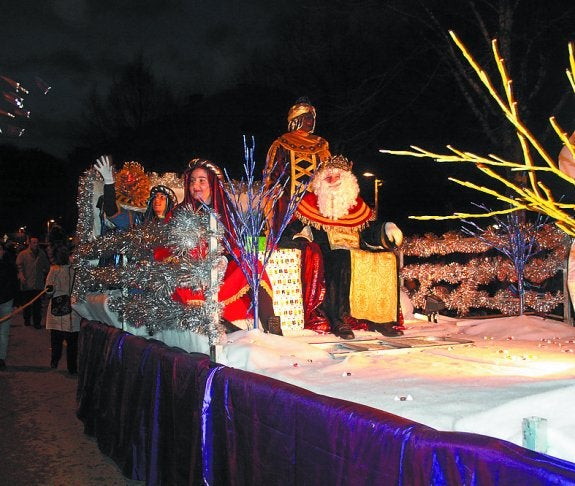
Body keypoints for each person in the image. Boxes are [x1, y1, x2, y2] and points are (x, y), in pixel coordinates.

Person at [280, 155, 404, 339]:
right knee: (342, 259)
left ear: (347, 181)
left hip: (357, 251)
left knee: (387, 258)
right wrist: (299, 242)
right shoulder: (309, 205)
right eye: (328, 177)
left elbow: (369, 231)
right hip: (328, 253)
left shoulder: (358, 206)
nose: (332, 181)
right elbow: (288, 233)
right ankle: (338, 319)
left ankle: (380, 318)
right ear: (320, 182)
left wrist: (386, 229)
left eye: (337, 176)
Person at [163, 158, 277, 332]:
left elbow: (236, 245)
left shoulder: (225, 211)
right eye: (192, 181)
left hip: (221, 273)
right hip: (190, 275)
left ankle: (274, 328)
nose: (196, 186)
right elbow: (166, 250)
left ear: (212, 184)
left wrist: (225, 259)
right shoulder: (178, 213)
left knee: (253, 264)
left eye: (202, 181)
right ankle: (232, 331)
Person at [264, 97, 332, 332]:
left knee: (327, 253)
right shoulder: (281, 144)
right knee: (296, 253)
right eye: (305, 117)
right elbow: (271, 178)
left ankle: (325, 310)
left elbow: (329, 176)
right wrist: (271, 209)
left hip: (318, 210)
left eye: (312, 117)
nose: (310, 121)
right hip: (289, 210)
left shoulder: (321, 145)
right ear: (295, 120)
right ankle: (297, 310)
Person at [45, 245, 80, 374]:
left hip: (60, 308)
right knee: (70, 341)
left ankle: (57, 361)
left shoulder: (57, 270)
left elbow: (48, 290)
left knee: (59, 339)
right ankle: (70, 366)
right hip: (68, 308)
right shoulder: (72, 270)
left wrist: (50, 290)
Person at [16, 236, 50, 329]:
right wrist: (21, 275)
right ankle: (27, 320)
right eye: (34, 242)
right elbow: (19, 266)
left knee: (37, 305)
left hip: (38, 284)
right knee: (27, 304)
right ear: (30, 243)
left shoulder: (41, 254)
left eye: (37, 242)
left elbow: (46, 266)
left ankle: (37, 322)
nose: (36, 244)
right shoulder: (23, 254)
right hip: (27, 284)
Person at [0, 242, 18, 369]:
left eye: (0, 249)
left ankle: (1, 357)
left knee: (4, 331)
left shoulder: (9, 265)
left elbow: (14, 283)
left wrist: (16, 302)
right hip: (6, 299)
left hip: (6, 300)